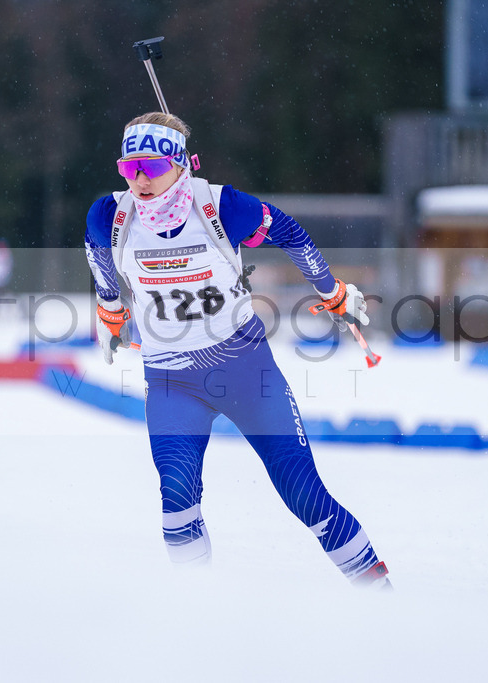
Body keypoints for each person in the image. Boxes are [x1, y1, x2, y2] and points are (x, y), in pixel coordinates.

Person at [83, 112, 390, 588]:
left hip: (244, 369)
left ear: (179, 163)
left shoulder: (221, 206)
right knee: (176, 502)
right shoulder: (110, 215)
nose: (139, 180)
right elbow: (98, 258)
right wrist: (110, 312)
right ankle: (202, 608)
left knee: (304, 495)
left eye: (151, 166)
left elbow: (292, 234)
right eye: (129, 168)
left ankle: (382, 598)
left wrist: (332, 292)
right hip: (171, 379)